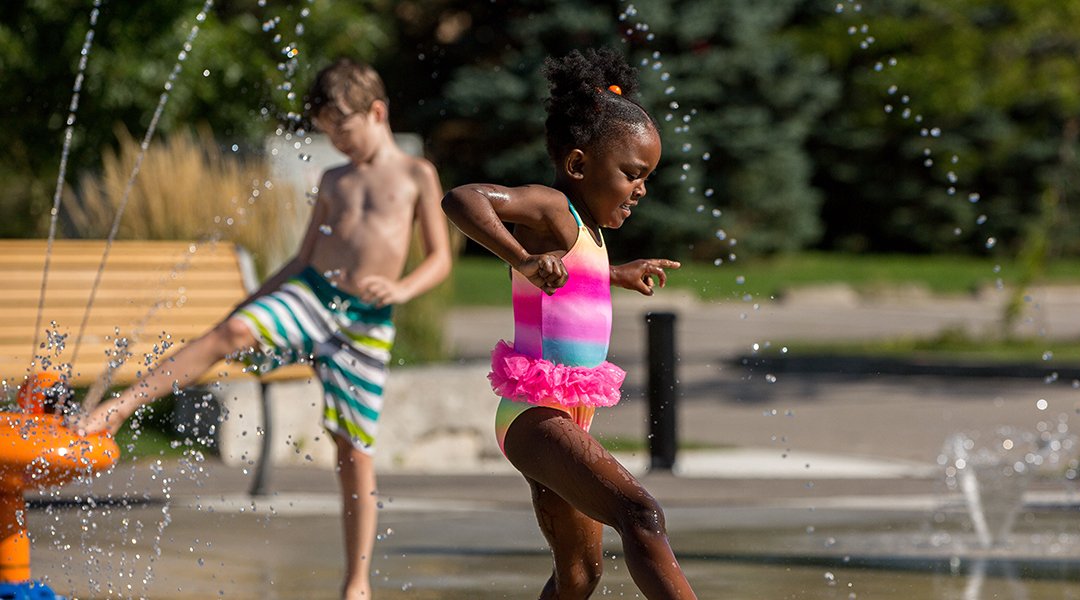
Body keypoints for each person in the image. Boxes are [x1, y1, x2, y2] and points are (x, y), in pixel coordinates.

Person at [77, 57, 453, 600]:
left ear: (377, 112)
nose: (338, 143)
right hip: (314, 296)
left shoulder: (417, 175)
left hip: (368, 323)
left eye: (343, 131)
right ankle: (119, 406)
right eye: (328, 133)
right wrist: (251, 303)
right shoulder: (334, 178)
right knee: (229, 334)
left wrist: (404, 288)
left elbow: (441, 259)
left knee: (354, 451)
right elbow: (302, 258)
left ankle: (357, 583)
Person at [442, 47, 696, 600]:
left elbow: (570, 284)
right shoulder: (553, 208)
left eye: (646, 177)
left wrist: (616, 274)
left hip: (567, 417)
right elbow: (462, 198)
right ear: (579, 165)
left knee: (580, 576)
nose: (642, 190)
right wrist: (519, 257)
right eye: (632, 174)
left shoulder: (585, 228)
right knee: (640, 513)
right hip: (536, 418)